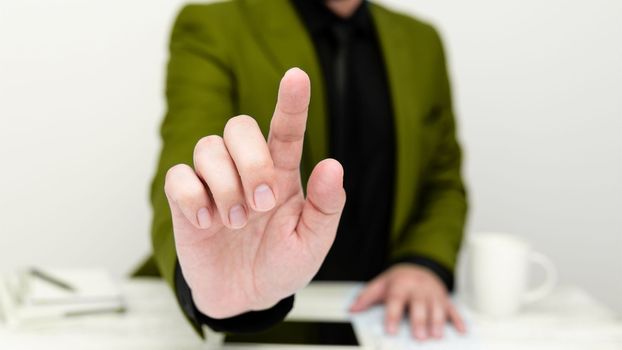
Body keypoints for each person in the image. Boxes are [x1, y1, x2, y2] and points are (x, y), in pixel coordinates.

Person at [141, 0, 467, 341]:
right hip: (265, 327)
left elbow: (442, 181)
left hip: (387, 319)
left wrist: (423, 262)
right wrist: (206, 279)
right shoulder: (214, 25)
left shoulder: (423, 42)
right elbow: (185, 173)